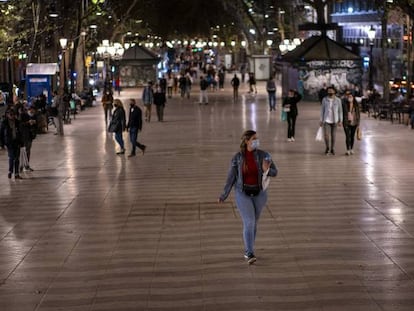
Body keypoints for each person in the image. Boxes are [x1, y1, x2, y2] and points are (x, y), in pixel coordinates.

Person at [218, 130, 278, 264]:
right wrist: (224, 195)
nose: (256, 141)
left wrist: (266, 169)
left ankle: (250, 247)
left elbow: (275, 172)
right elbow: (231, 178)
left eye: (257, 138)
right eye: (253, 139)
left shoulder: (264, 155)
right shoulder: (237, 158)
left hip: (260, 195)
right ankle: (249, 252)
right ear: (247, 141)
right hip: (242, 193)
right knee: (249, 221)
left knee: (253, 223)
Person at [0, 109, 23, 179]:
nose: (12, 116)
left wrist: (22, 142)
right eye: (10, 114)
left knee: (17, 158)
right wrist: (2, 144)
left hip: (17, 142)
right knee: (12, 157)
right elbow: (1, 134)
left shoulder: (17, 122)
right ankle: (10, 171)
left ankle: (16, 173)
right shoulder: (4, 122)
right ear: (7, 115)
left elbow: (20, 132)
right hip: (9, 143)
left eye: (13, 114)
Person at [320, 86, 343, 155]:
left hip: (335, 120)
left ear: (334, 91)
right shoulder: (324, 99)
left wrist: (340, 120)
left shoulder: (338, 100)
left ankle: (332, 148)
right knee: (326, 135)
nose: (330, 92)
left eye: (331, 91)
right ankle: (327, 147)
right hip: (326, 120)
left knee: (333, 136)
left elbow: (340, 111)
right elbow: (322, 110)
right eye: (328, 91)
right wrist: (321, 120)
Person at [19, 106, 37, 171]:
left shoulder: (34, 116)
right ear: (28, 110)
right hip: (24, 136)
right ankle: (20, 166)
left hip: (30, 136)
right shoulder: (22, 115)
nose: (32, 112)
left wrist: (34, 123)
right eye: (31, 110)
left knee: (28, 151)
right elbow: (20, 124)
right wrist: (28, 122)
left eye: (33, 111)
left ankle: (26, 165)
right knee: (22, 151)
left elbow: (35, 126)